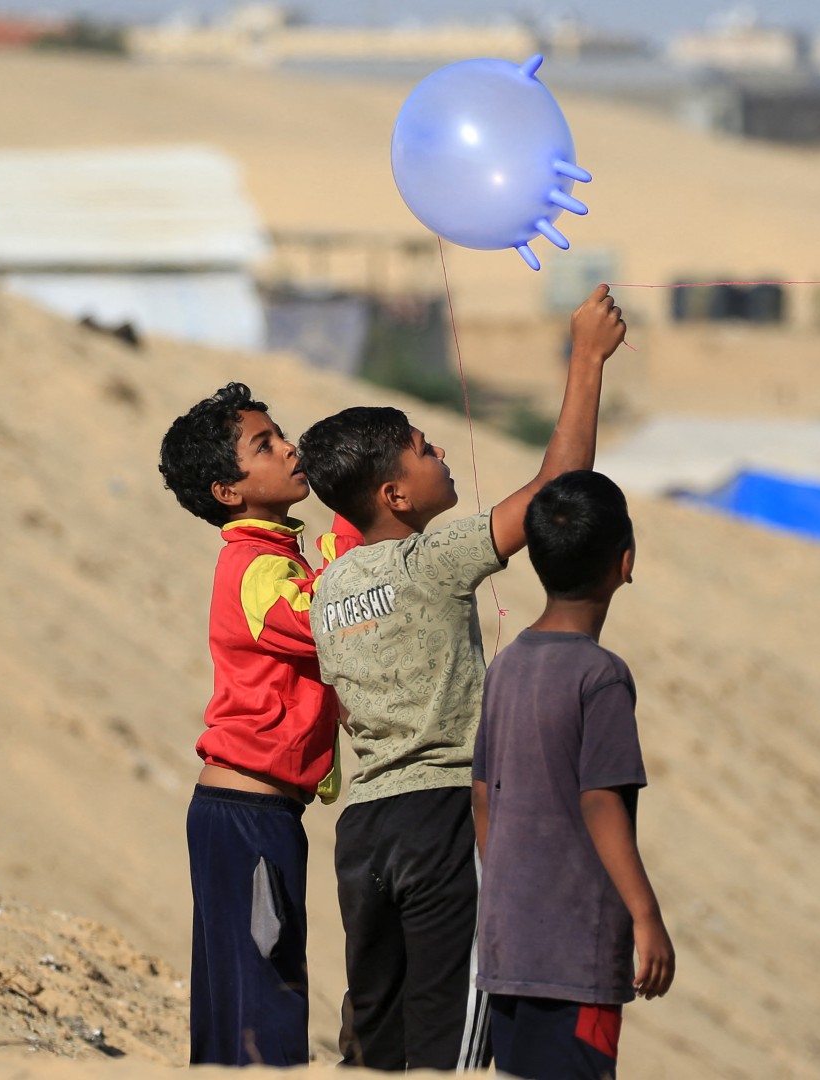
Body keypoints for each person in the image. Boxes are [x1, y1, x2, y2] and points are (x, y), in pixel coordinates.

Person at [299, 285, 627, 1070]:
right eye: (421, 447)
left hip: (363, 834)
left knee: (378, 1030)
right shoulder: (430, 561)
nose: (440, 451)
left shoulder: (328, 589)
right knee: (451, 1037)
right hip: (444, 816)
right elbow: (555, 494)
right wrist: (586, 360)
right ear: (395, 496)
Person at [157, 382, 348, 1066]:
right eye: (264, 445)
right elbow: (323, 619)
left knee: (241, 997)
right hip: (248, 813)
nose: (290, 448)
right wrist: (355, 533)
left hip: (252, 813)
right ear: (228, 491)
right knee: (263, 999)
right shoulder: (256, 566)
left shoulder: (278, 558)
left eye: (280, 435)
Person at [471, 470, 673, 1080]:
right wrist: (646, 915)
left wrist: (506, 886)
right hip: (575, 952)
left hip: (507, 945)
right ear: (626, 561)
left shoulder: (507, 665)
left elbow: (482, 793)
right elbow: (601, 802)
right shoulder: (601, 676)